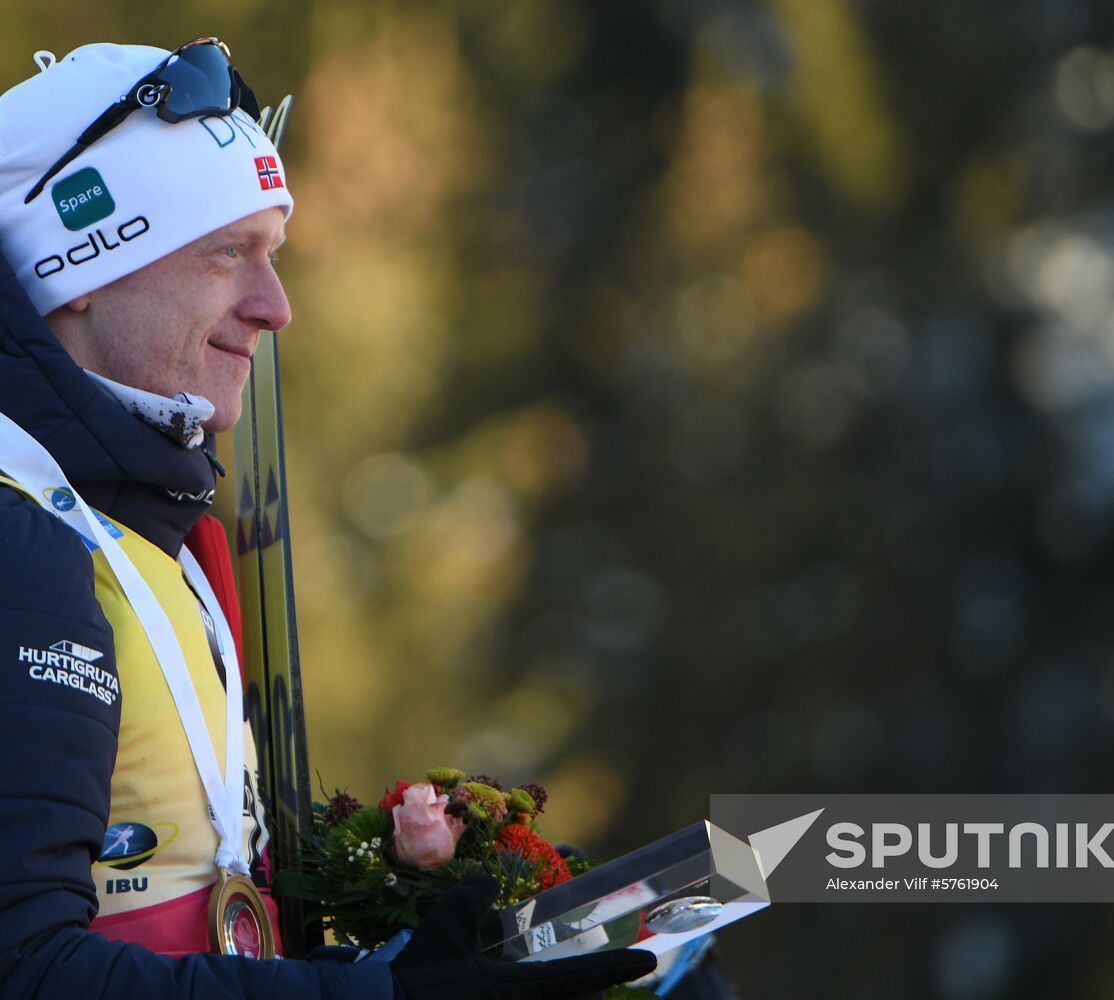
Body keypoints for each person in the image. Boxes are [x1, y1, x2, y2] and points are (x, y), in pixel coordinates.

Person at [0, 40, 656, 999]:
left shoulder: (148, 541)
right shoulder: (25, 539)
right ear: (83, 266)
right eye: (228, 253)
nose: (276, 306)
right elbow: (27, 972)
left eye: (273, 254)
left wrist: (397, 952)